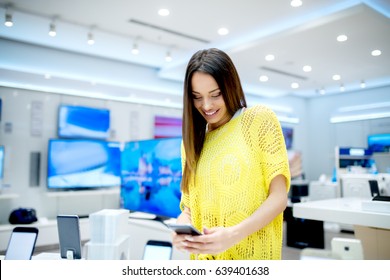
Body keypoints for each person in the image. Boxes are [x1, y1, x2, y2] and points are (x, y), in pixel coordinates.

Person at [172, 48, 291, 260]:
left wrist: (234, 235)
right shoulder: (191, 142)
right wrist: (181, 226)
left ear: (230, 86)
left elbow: (279, 197)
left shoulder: (258, 120)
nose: (206, 106)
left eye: (215, 95)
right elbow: (190, 207)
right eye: (197, 97)